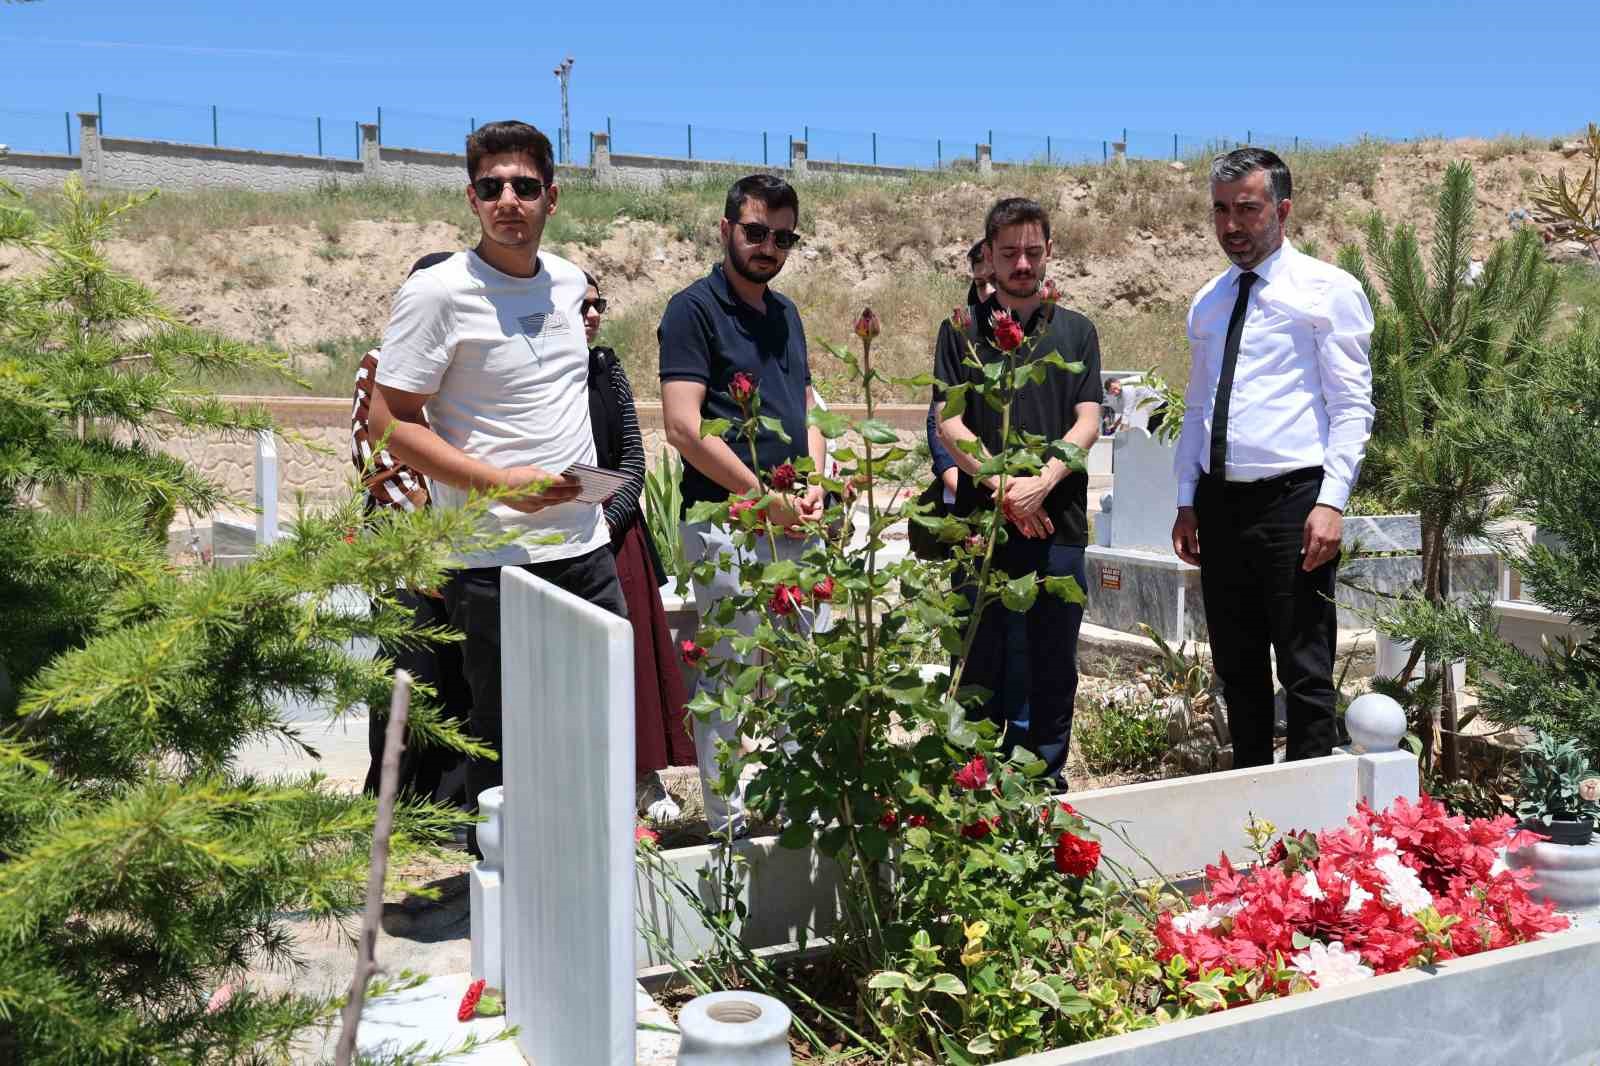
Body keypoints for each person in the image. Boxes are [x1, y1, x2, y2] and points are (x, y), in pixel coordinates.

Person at [368, 120, 625, 827]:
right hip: (491, 562)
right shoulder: (438, 292)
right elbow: (387, 422)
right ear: (472, 199)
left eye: (524, 186)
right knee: (507, 741)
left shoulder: (572, 284)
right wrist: (499, 484)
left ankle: (590, 884)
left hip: (585, 548)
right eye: (492, 187)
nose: (508, 199)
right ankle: (507, 898)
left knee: (598, 724)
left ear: (553, 197)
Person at [1169, 147, 1374, 768]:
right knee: (1237, 668)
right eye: (1221, 210)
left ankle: (1316, 827)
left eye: (1248, 209)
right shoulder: (1209, 299)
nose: (1232, 224)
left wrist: (1332, 500)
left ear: (1281, 210)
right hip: (1219, 503)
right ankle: (1252, 808)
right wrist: (1186, 498)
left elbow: (1352, 405)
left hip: (1292, 502)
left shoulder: (1328, 290)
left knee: (1305, 670)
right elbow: (1197, 406)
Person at [658, 173, 827, 836]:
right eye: (756, 231)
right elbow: (683, 424)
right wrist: (763, 499)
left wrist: (812, 480)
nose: (768, 247)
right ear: (726, 228)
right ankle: (727, 827)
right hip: (727, 523)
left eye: (782, 237)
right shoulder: (692, 311)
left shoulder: (786, 315)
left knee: (796, 671)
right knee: (731, 674)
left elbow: (806, 405)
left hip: (793, 520)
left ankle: (793, 815)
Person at [935, 197, 1104, 783]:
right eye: (1009, 253)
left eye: (1033, 251)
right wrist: (1005, 489)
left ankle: (1040, 782)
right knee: (981, 656)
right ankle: (973, 785)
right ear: (988, 257)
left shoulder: (1077, 331)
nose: (1022, 264)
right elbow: (950, 422)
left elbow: (1088, 419)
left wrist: (1045, 480)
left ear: (1049, 250)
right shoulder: (961, 334)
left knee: (1051, 659)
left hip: (1060, 521)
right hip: (983, 526)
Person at [351, 251, 471, 805]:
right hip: (407, 543)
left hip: (461, 539)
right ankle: (393, 795)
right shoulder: (378, 365)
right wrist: (429, 527)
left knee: (456, 668)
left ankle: (446, 800)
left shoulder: (462, 368)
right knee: (409, 663)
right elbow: (377, 458)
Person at [581, 270, 695, 777]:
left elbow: (631, 456)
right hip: (555, 537)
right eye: (580, 305)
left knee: (633, 664)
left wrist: (606, 520)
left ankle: (643, 780)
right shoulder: (530, 377)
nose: (591, 315)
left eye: (597, 304)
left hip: (615, 534)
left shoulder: (606, 366)